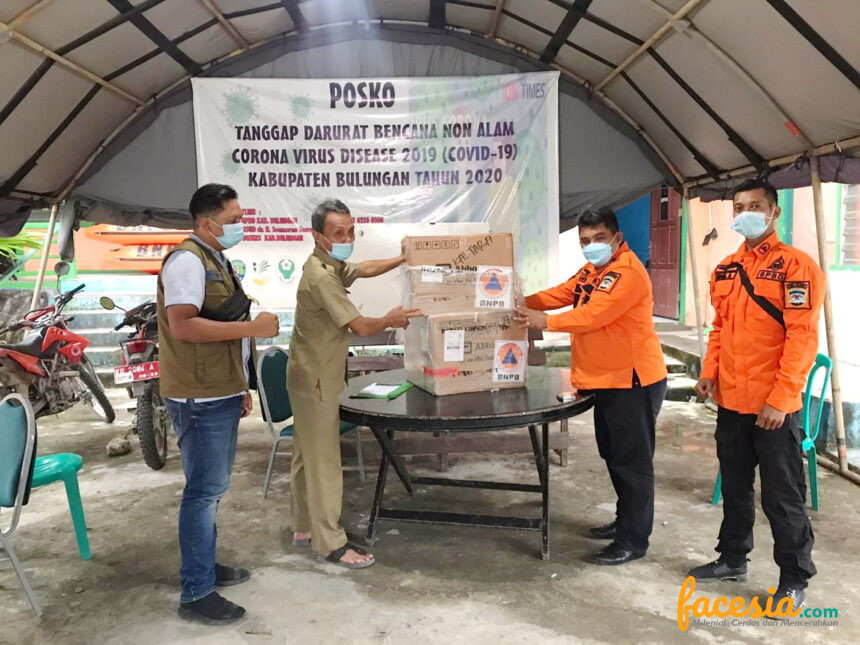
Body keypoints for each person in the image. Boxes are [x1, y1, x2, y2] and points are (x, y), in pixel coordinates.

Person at [689, 179, 824, 613]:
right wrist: (709, 373)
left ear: (774, 212)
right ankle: (732, 559)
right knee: (735, 486)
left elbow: (802, 338)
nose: (745, 214)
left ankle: (793, 580)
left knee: (781, 497)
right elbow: (719, 329)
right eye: (739, 207)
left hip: (773, 408)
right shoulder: (726, 269)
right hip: (731, 402)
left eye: (754, 206)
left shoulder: (796, 267)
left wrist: (781, 399)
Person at [515, 207, 667, 565]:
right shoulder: (593, 271)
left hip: (633, 380)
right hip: (606, 380)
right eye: (585, 241)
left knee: (632, 463)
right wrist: (517, 301)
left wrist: (544, 322)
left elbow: (592, 315)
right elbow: (561, 293)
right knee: (614, 456)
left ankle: (633, 541)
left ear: (617, 238)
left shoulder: (628, 272)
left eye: (599, 238)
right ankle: (624, 522)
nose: (591, 245)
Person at [158, 183, 280, 625]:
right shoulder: (187, 261)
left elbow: (222, 321)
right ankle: (196, 592)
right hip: (198, 394)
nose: (239, 226)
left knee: (213, 489)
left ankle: (204, 565)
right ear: (207, 222)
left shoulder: (216, 259)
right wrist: (253, 329)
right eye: (233, 220)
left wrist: (240, 385)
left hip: (219, 389)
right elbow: (184, 326)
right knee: (203, 493)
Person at [288, 199, 420, 569]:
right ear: (318, 236)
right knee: (325, 462)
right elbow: (359, 326)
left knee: (306, 456)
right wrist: (391, 319)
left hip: (307, 374)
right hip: (317, 379)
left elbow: (363, 269)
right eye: (338, 233)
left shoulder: (326, 263)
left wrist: (402, 259)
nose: (347, 240)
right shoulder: (321, 277)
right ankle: (330, 543)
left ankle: (304, 527)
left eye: (350, 232)